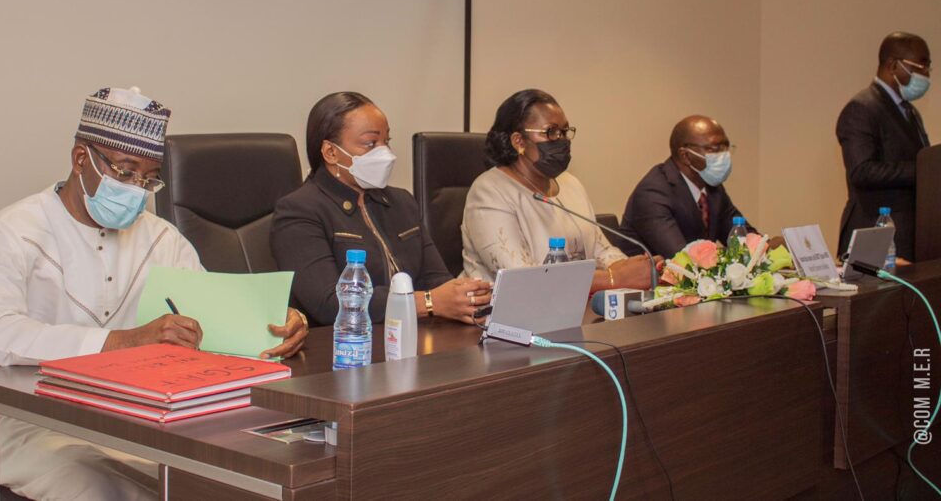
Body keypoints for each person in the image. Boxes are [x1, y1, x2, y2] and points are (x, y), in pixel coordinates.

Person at [0, 86, 308, 501]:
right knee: (98, 486)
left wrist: (273, 323)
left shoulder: (160, 237)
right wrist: (121, 341)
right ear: (80, 159)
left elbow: (205, 318)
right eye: (125, 172)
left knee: (217, 476)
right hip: (16, 420)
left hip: (129, 419)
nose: (136, 189)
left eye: (148, 178)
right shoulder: (16, 230)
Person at [271, 92, 493, 327]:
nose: (385, 152)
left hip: (415, 336)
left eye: (386, 141)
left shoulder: (401, 202)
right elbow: (329, 303)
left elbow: (436, 279)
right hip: (346, 343)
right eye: (370, 143)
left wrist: (465, 296)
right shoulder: (299, 211)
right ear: (331, 152)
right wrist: (427, 302)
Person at [461, 89, 656, 291]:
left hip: (575, 304)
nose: (562, 140)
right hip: (502, 309)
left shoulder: (570, 184)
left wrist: (638, 269)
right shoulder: (489, 192)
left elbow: (600, 251)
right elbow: (522, 280)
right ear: (518, 141)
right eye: (551, 132)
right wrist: (614, 279)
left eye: (564, 131)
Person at [618, 115, 774, 258]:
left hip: (698, 278)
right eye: (714, 149)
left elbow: (741, 236)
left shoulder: (712, 188)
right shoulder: (653, 192)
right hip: (653, 278)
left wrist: (769, 247)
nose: (724, 155)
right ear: (685, 156)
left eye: (725, 147)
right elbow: (681, 258)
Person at [837, 31, 932, 259]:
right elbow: (862, 171)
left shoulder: (910, 111)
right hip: (875, 233)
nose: (927, 75)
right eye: (921, 67)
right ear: (893, 66)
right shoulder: (861, 108)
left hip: (910, 234)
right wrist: (923, 170)